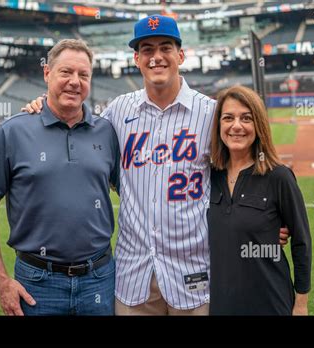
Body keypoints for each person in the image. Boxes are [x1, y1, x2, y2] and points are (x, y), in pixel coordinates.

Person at [24, 15, 290, 315]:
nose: (157, 57)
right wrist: (44, 102)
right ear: (137, 59)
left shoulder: (211, 113)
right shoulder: (117, 111)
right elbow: (79, 131)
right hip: (133, 277)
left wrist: (266, 219)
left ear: (181, 55)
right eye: (147, 49)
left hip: (193, 275)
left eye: (165, 47)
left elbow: (243, 168)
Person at [0, 39, 120, 316]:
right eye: (66, 72)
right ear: (47, 74)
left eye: (83, 75)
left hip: (99, 280)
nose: (75, 82)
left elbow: (130, 191)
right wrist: (0, 280)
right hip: (37, 284)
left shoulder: (106, 132)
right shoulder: (12, 132)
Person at [208, 85, 312, 315]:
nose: (236, 126)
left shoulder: (278, 176)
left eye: (246, 118)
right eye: (228, 118)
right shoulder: (208, 176)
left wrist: (301, 304)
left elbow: (301, 242)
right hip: (220, 304)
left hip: (270, 302)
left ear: (259, 125)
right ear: (218, 126)